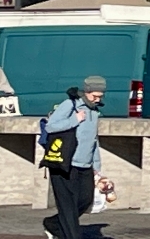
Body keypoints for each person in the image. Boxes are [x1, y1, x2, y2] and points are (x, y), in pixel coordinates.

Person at [41, 75, 104, 239]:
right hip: (65, 164)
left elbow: (93, 140)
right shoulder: (70, 105)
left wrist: (96, 167)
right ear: (86, 91)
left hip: (85, 166)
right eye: (94, 96)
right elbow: (51, 126)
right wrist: (74, 119)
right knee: (68, 208)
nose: (97, 99)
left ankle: (53, 224)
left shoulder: (94, 111)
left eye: (100, 96)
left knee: (85, 200)